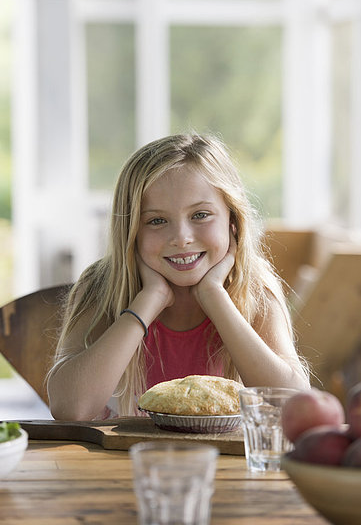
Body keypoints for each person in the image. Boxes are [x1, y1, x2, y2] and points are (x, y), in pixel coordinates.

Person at [47, 132, 309, 420]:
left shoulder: (255, 290)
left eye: (200, 215)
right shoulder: (100, 288)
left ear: (233, 221)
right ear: (130, 232)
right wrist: (148, 301)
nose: (181, 238)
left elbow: (295, 406)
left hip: (224, 466)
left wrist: (215, 297)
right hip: (123, 464)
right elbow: (71, 410)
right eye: (157, 221)